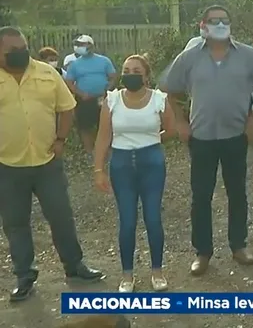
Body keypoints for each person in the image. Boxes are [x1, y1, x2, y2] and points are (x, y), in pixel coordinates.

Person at [163, 5, 253, 276]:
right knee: (201, 195)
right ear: (203, 25)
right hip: (201, 137)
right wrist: (180, 121)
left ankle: (239, 246)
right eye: (214, 20)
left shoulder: (248, 55)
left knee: (237, 193)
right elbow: (170, 89)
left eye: (224, 20)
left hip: (235, 135)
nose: (220, 24)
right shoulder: (190, 56)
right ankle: (202, 252)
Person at [0, 26, 104, 302]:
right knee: (15, 223)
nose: (21, 53)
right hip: (8, 166)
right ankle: (24, 276)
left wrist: (60, 139)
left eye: (23, 48)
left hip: (47, 162)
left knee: (61, 216)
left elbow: (67, 107)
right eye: (13, 50)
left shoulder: (47, 73)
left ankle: (75, 266)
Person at [93, 55, 175, 293]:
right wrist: (98, 170)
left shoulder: (159, 99)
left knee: (153, 218)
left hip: (152, 163)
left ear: (146, 75)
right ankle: (127, 275)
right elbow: (103, 137)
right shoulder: (112, 100)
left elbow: (171, 130)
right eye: (126, 70)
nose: (130, 74)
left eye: (136, 71)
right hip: (121, 165)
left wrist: (150, 141)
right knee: (127, 221)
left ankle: (157, 271)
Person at [64, 35, 117, 160]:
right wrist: (81, 94)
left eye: (82, 44)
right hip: (84, 100)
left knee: (105, 125)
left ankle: (106, 150)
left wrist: (107, 90)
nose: (78, 47)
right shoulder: (75, 64)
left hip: (102, 99)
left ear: (90, 46)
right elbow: (69, 82)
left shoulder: (104, 61)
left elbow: (113, 76)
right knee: (85, 126)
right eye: (77, 45)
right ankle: (89, 152)